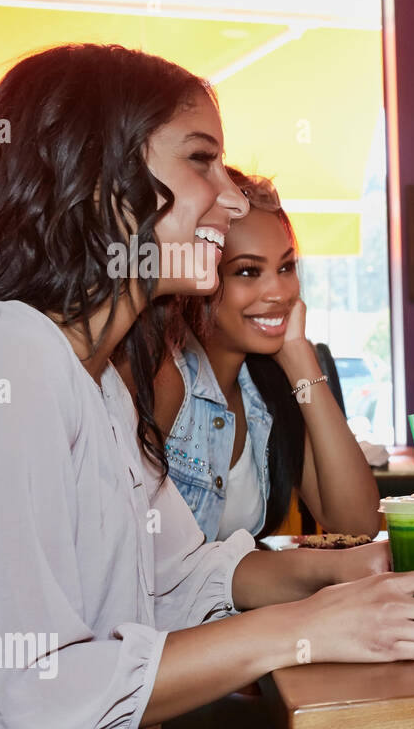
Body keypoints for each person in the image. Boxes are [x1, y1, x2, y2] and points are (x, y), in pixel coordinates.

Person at [0, 44, 414, 729]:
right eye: (203, 160)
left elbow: (188, 577)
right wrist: (302, 628)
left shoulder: (96, 379)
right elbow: (20, 696)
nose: (230, 200)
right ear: (99, 182)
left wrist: (358, 571)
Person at [132, 167, 380, 542]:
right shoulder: (165, 376)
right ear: (201, 274)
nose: (279, 291)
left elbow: (357, 523)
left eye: (285, 267)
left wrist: (300, 358)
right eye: (248, 271)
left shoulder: (266, 384)